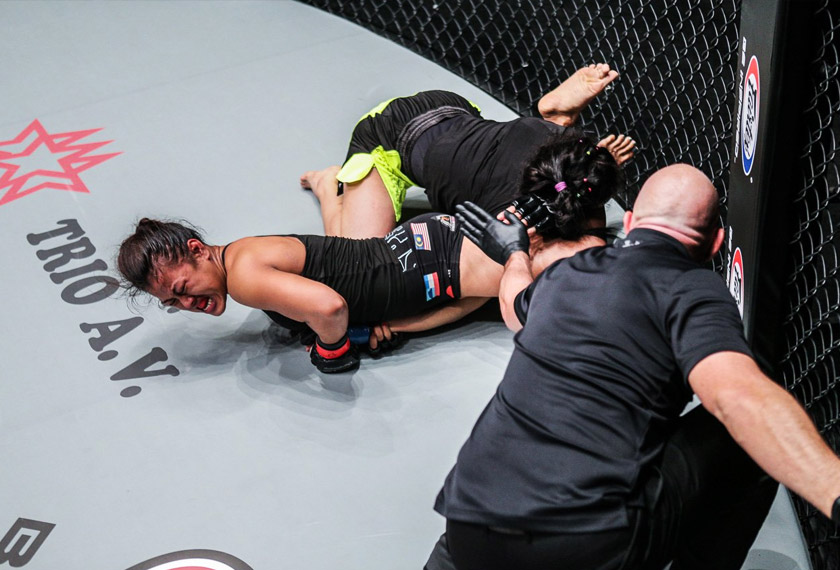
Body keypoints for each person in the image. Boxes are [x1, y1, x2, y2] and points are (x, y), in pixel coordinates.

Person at [424, 163, 840, 570]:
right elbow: (738, 399)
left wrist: (514, 250)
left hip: (468, 522)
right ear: (716, 243)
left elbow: (516, 306)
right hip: (578, 545)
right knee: (742, 442)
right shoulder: (693, 290)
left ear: (630, 221)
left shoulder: (566, 275)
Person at [117, 132, 623, 374]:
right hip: (422, 253)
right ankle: (579, 164)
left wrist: (331, 350)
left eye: (182, 290)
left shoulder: (245, 276)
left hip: (434, 262)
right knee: (521, 249)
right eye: (174, 304)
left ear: (197, 250)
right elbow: (460, 301)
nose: (188, 305)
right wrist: (392, 327)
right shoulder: (243, 255)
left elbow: (329, 309)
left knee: (574, 278)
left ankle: (585, 162)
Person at [300, 63, 635, 239]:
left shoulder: (560, 161)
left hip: (454, 109)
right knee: (359, 256)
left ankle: (553, 118)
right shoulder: (508, 216)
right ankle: (328, 186)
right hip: (388, 134)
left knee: (541, 148)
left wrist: (595, 161)